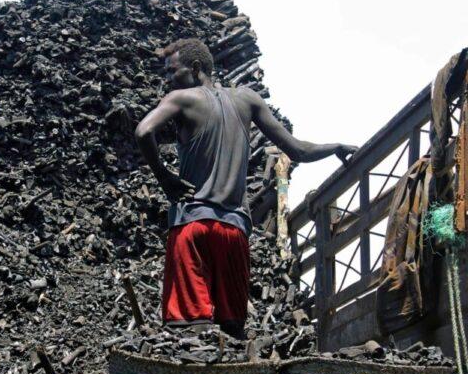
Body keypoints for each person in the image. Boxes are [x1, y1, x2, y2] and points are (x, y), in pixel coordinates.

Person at [134, 39, 357, 339]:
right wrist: (335, 147)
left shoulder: (181, 99)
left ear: (196, 69)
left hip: (193, 227)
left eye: (172, 72)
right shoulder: (247, 99)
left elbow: (143, 130)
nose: (167, 81)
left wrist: (165, 179)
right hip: (234, 231)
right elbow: (298, 150)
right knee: (233, 328)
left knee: (186, 332)